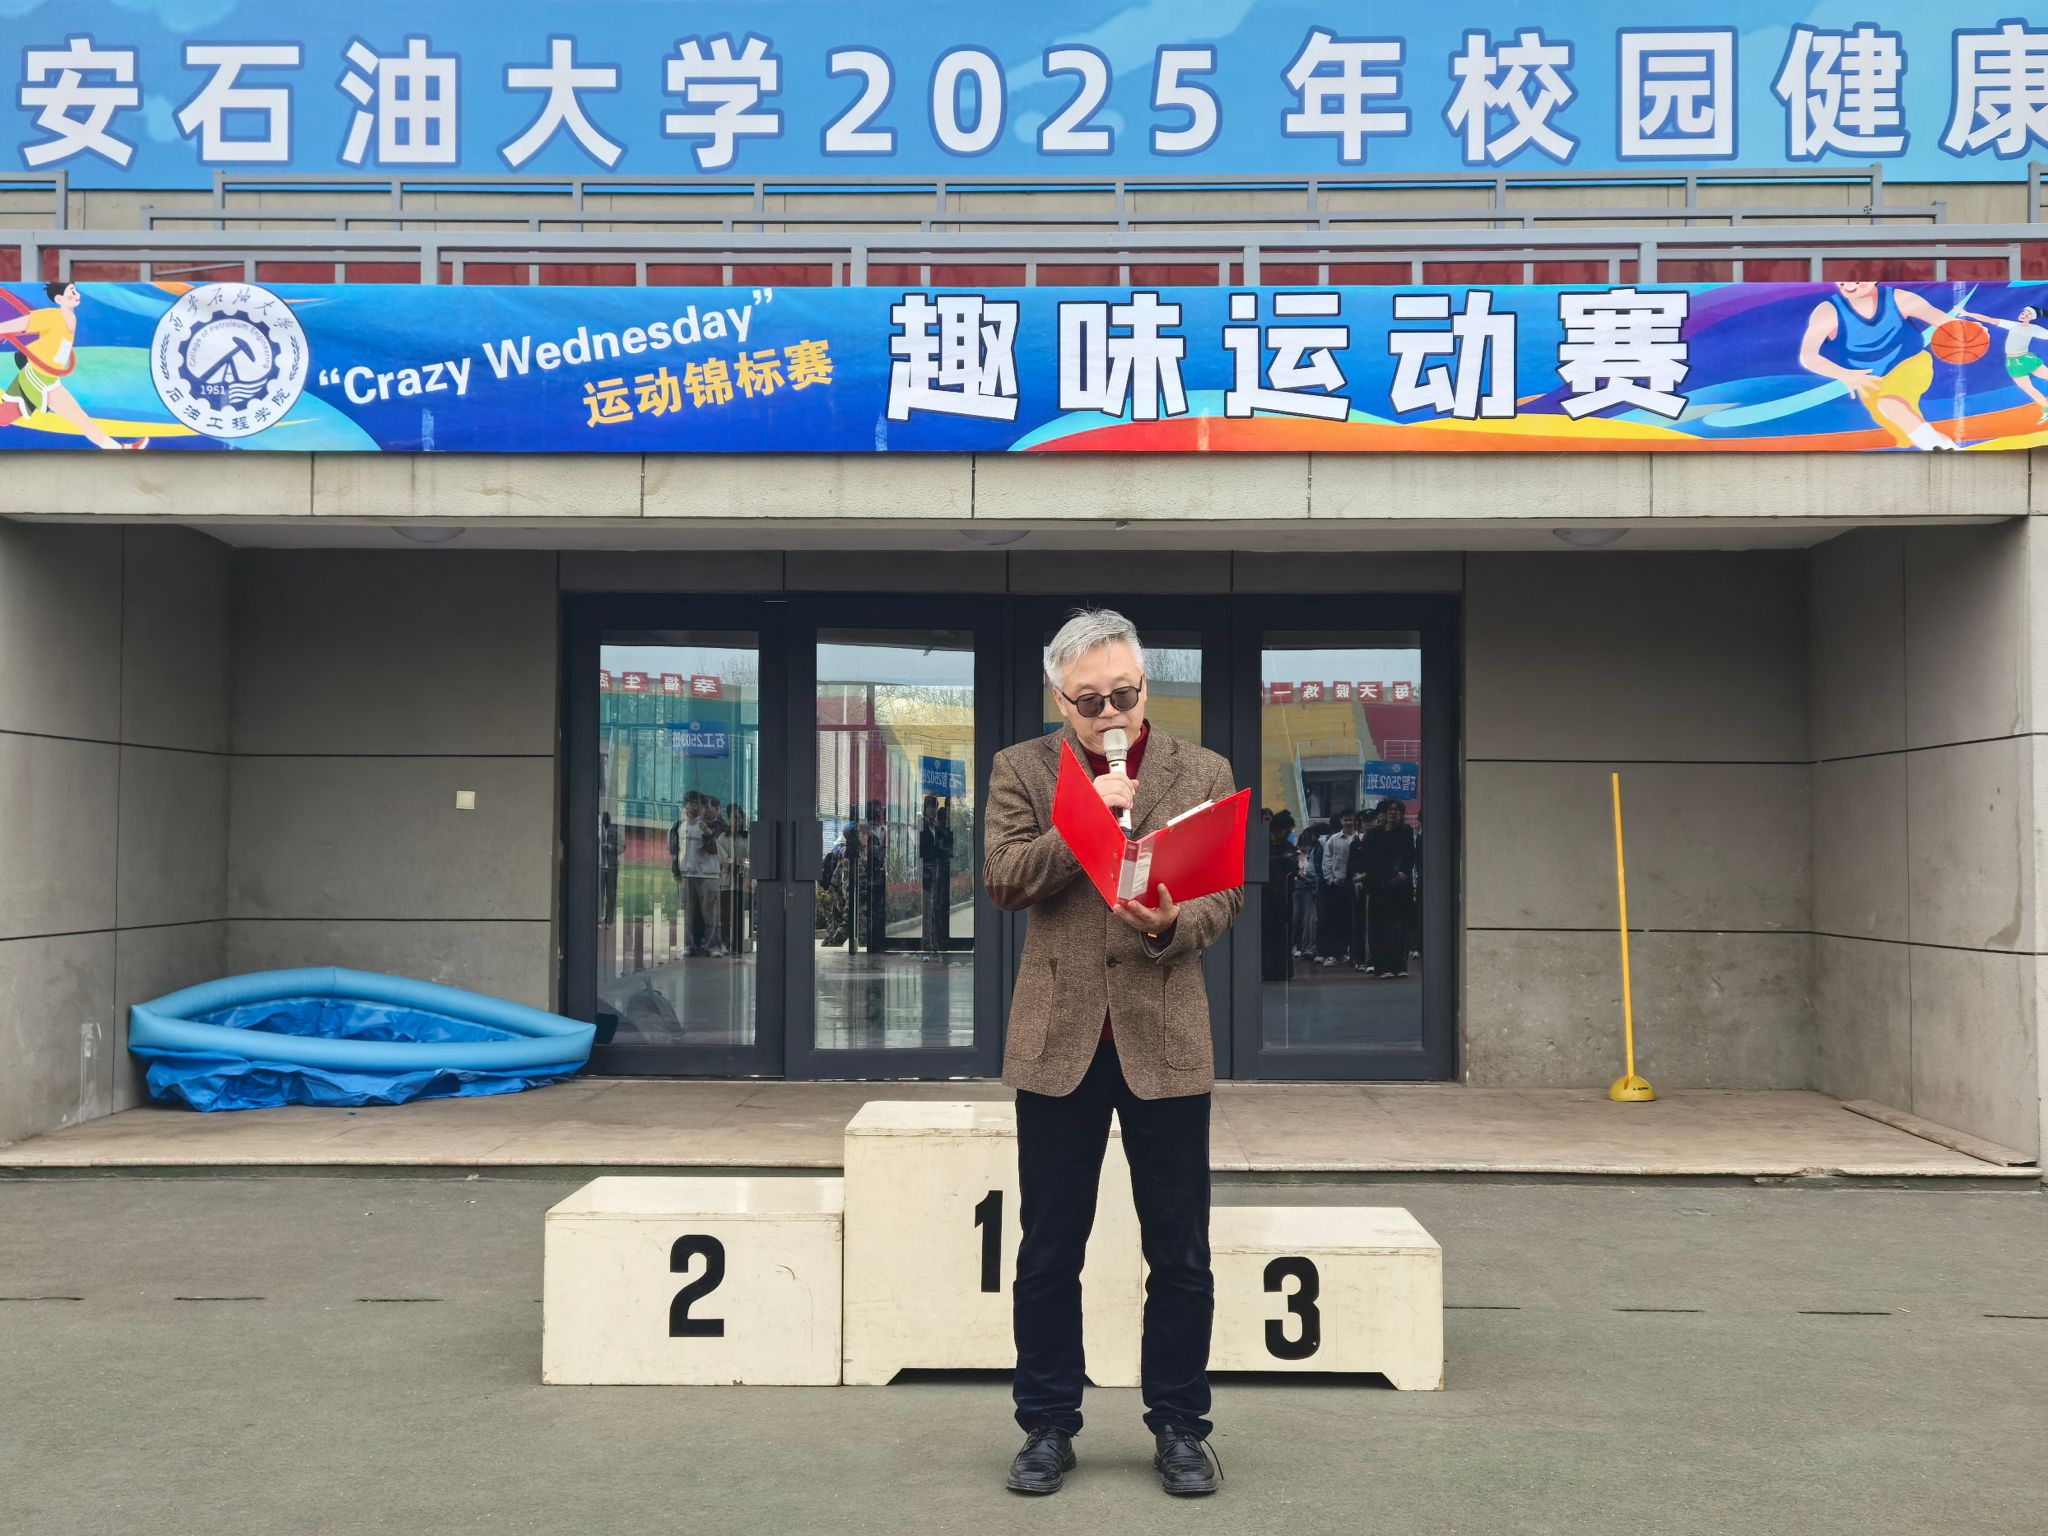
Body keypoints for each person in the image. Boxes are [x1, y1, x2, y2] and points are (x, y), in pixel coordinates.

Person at [984, 608, 1242, 1500]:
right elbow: (1003, 878)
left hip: (1164, 1036)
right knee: (1049, 1249)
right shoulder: (1023, 769)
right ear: (1060, 699)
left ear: (1145, 688)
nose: (1110, 716)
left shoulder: (1203, 771)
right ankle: (1047, 1425)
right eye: (1089, 701)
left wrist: (1173, 922)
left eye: (1123, 696)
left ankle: (1180, 1426)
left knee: (1180, 1250)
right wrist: (1084, 823)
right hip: (1058, 1040)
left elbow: (1224, 897)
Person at [1797, 279, 1960, 451]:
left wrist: (1969, 331)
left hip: (1910, 363)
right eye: (1843, 281)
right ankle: (1951, 450)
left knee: (1890, 404)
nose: (1850, 286)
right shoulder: (1828, 311)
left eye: (1858, 280)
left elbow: (1949, 325)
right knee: (1909, 430)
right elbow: (1808, 356)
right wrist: (1845, 375)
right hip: (1868, 379)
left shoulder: (1900, 299)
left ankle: (1947, 451)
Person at [0, 281, 149, 450]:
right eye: (71, 291)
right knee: (80, 418)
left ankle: (120, 449)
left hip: (48, 377)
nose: (77, 295)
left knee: (5, 416)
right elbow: (17, 324)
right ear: (59, 299)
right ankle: (120, 449)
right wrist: (6, 331)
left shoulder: (71, 318)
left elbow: (54, 344)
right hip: (38, 377)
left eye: (75, 291)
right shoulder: (51, 316)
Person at [1956, 300, 2048, 425]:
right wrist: (1967, 314)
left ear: (2032, 318)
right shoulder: (2012, 325)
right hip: (2013, 363)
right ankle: (2046, 409)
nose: (2024, 315)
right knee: (2027, 388)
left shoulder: (2035, 329)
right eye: (2023, 312)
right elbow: (1989, 320)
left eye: (2028, 314)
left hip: (2027, 359)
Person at [1360, 800, 1418, 979]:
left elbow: (1408, 855)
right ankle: (1382, 966)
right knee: (1380, 928)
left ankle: (1399, 966)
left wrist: (1401, 874)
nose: (1393, 812)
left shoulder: (1406, 832)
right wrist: (1375, 878)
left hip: (1400, 887)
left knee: (1399, 927)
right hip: (1378, 886)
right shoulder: (1373, 835)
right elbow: (1368, 859)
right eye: (1390, 809)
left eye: (1397, 810)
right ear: (1384, 813)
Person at [671, 795, 721, 957]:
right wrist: (676, 871)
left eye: (696, 804)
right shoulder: (679, 827)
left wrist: (708, 834)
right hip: (687, 875)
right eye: (689, 803)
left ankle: (713, 946)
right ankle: (689, 944)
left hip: (708, 875)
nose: (693, 807)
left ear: (702, 807)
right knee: (688, 913)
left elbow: (715, 850)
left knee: (711, 914)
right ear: (684, 806)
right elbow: (675, 851)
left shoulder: (711, 826)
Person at [1316, 811, 1357, 967]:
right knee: (1333, 920)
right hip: (1336, 885)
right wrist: (1330, 880)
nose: (1348, 822)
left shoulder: (1358, 838)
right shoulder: (1333, 839)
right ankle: (1332, 953)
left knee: (1349, 920)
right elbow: (1326, 860)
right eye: (1346, 819)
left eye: (1351, 819)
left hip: (1354, 885)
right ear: (1341, 821)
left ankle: (1345, 952)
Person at [918, 793, 954, 960]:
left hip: (937, 873)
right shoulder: (922, 827)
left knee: (935, 909)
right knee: (927, 910)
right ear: (925, 809)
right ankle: (926, 946)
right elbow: (924, 851)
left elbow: (946, 849)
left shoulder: (938, 828)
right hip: (926, 875)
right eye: (929, 807)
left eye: (934, 807)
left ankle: (935, 943)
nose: (932, 810)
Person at [597, 810, 621, 928]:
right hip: (601, 867)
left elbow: (622, 846)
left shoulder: (614, 832)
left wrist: (612, 848)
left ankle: (609, 920)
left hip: (612, 867)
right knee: (600, 895)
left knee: (611, 895)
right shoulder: (598, 832)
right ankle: (600, 919)